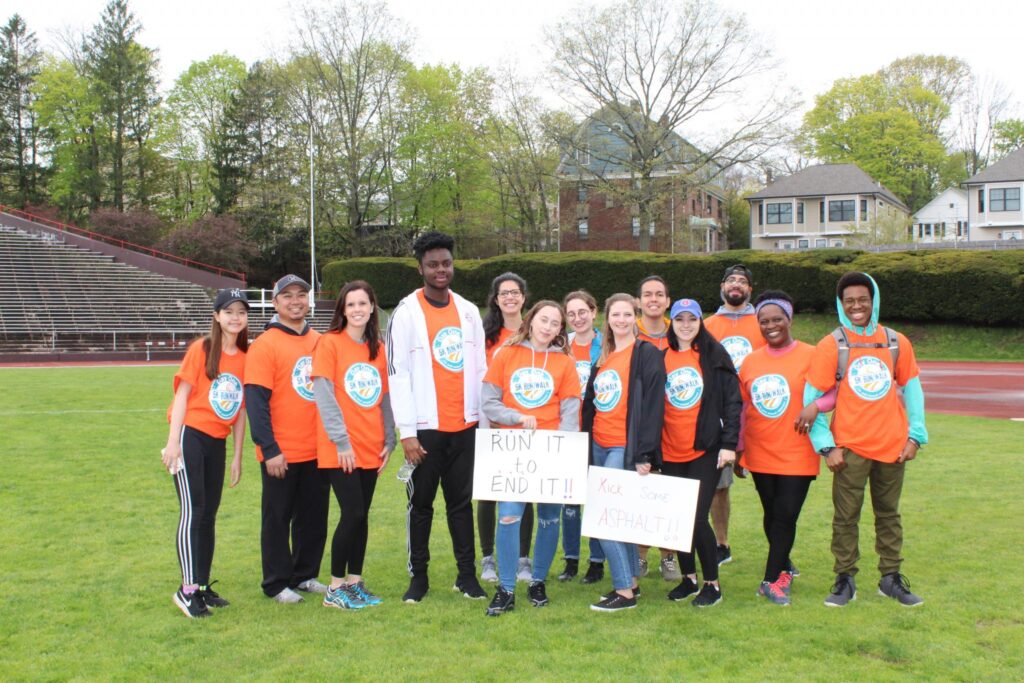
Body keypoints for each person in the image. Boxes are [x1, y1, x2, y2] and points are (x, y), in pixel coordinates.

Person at [802, 272, 928, 608]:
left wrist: (915, 436)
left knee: (889, 516)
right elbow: (812, 398)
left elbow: (913, 389)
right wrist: (826, 445)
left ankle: (891, 578)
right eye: (850, 301)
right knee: (846, 517)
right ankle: (845, 579)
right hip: (850, 449)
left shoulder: (895, 341)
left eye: (863, 299)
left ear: (873, 300)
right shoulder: (832, 344)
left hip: (892, 447)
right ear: (841, 305)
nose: (857, 306)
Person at [386, 231, 488, 603]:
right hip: (425, 432)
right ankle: (419, 578)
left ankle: (466, 576)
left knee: (461, 505)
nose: (441, 270)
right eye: (433, 265)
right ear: (420, 269)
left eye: (446, 263)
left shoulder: (468, 310)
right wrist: (407, 433)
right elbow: (397, 375)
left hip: (464, 426)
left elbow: (481, 369)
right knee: (421, 506)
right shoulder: (406, 313)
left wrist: (482, 421)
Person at [480, 301, 582, 616]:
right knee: (509, 515)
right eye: (544, 320)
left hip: (550, 450)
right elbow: (489, 401)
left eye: (555, 323)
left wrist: (561, 446)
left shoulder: (565, 363)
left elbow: (570, 408)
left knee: (549, 518)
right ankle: (506, 588)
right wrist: (516, 416)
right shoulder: (507, 355)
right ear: (531, 320)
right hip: (515, 451)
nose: (549, 327)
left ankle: (537, 581)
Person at [164, 288, 249, 618]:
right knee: (193, 511)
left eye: (241, 312)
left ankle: (200, 585)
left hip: (217, 441)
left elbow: (240, 410)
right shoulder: (203, 348)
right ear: (217, 316)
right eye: (228, 311)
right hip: (190, 436)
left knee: (209, 513)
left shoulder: (245, 357)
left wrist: (238, 455)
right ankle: (186, 591)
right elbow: (183, 395)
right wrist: (173, 442)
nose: (235, 317)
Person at [312, 280, 397, 610]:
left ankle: (355, 582)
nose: (357, 309)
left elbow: (385, 398)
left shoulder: (377, 347)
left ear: (372, 307)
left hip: (371, 445)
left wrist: (389, 439)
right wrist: (342, 442)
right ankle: (334, 588)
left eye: (363, 303)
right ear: (342, 310)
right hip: (341, 447)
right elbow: (324, 395)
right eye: (351, 305)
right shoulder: (329, 343)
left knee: (362, 517)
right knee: (353, 513)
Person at [245, 274, 329, 604]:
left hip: (318, 449)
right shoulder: (265, 344)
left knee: (313, 518)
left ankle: (305, 574)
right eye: (288, 296)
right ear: (276, 302)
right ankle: (277, 582)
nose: (295, 301)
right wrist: (270, 449)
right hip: (282, 451)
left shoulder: (321, 341)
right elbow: (255, 401)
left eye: (301, 295)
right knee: (277, 518)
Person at [581, 293, 666, 612]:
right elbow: (592, 407)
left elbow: (655, 406)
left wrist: (645, 454)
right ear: (608, 319)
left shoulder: (646, 353)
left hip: (624, 447)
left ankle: (623, 593)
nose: (621, 319)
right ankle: (630, 581)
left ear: (636, 317)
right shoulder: (603, 358)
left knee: (606, 517)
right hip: (599, 446)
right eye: (615, 314)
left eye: (627, 314)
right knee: (621, 518)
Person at [737, 290, 819, 606]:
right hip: (760, 450)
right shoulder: (751, 361)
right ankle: (783, 560)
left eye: (777, 319)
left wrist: (815, 408)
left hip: (798, 451)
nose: (771, 326)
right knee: (772, 515)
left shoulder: (812, 355)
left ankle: (772, 580)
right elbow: (744, 407)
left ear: (789, 319)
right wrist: (740, 449)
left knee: (785, 515)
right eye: (764, 321)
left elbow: (832, 391)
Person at [660, 298, 741, 608]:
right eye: (679, 318)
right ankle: (689, 578)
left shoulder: (713, 355)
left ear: (699, 321)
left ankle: (713, 584)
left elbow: (733, 402)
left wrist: (729, 444)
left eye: (691, 318)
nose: (685, 324)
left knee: (694, 518)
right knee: (677, 520)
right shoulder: (661, 357)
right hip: (669, 450)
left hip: (704, 449)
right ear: (672, 322)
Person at [703, 264, 766, 566]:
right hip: (722, 414)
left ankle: (780, 549)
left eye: (743, 281)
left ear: (750, 289)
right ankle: (721, 543)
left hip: (760, 414)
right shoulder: (710, 324)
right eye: (731, 280)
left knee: (770, 484)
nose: (737, 284)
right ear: (722, 286)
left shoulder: (763, 322)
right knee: (719, 484)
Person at [478, 272, 535, 584]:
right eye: (504, 293)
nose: (510, 298)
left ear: (523, 297)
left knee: (525, 491)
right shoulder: (486, 336)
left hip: (526, 426)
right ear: (496, 299)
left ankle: (523, 560)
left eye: (515, 292)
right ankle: (489, 558)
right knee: (489, 492)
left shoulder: (534, 333)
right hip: (492, 424)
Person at [557, 290, 606, 584]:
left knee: (597, 497)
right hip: (568, 432)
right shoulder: (563, 347)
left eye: (582, 312)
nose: (577, 319)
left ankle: (597, 561)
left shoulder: (607, 345)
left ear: (593, 311)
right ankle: (571, 559)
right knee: (569, 500)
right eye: (571, 314)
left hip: (598, 431)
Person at [633, 275, 679, 581]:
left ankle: (669, 556)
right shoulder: (626, 332)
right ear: (638, 301)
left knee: (669, 495)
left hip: (675, 427)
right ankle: (638, 556)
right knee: (640, 494)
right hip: (638, 425)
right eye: (647, 294)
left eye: (659, 294)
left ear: (667, 301)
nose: (653, 299)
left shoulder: (681, 332)